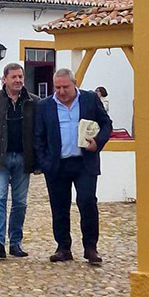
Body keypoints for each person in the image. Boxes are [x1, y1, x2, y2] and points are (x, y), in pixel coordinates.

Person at [34, 68, 112, 265]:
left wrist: (98, 142)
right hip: (57, 164)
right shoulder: (44, 106)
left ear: (74, 84)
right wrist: (44, 162)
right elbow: (38, 136)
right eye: (57, 87)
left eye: (65, 87)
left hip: (84, 162)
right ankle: (63, 247)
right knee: (59, 206)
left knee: (87, 202)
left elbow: (106, 124)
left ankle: (90, 248)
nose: (61, 91)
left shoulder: (89, 100)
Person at [0, 63, 39, 260]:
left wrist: (38, 162)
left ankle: (15, 242)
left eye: (20, 76)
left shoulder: (33, 102)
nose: (18, 80)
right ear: (4, 79)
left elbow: (39, 133)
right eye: (14, 77)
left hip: (23, 158)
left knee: (20, 202)